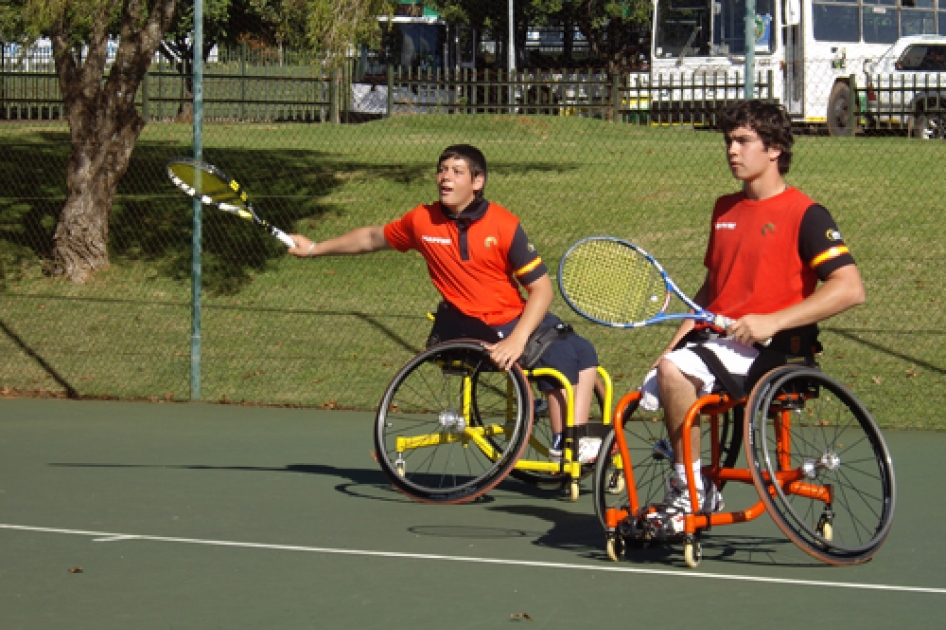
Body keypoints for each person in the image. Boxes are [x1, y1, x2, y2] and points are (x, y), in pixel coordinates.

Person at [286, 144, 602, 464]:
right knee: (558, 352)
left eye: (456, 171)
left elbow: (542, 290)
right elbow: (371, 238)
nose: (445, 177)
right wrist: (314, 247)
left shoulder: (504, 225)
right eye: (442, 170)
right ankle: (571, 443)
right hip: (468, 324)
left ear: (477, 182)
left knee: (583, 350)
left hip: (511, 317)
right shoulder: (422, 220)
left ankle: (571, 439)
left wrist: (518, 337)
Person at [639, 100, 865, 513]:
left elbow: (849, 288)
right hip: (717, 343)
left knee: (675, 373)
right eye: (728, 141)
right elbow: (712, 289)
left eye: (743, 141)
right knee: (659, 378)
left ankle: (689, 492)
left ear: (775, 148)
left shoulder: (806, 214)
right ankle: (693, 482)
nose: (731, 150)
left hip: (777, 350)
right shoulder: (724, 208)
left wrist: (771, 321)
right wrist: (673, 346)